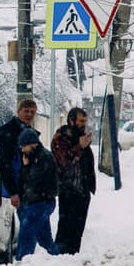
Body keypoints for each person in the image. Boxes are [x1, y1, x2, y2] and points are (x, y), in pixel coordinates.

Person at [50, 106, 96, 255]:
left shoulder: (81, 137)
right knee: (65, 228)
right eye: (81, 121)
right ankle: (61, 257)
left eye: (85, 121)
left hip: (82, 190)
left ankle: (73, 255)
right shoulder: (61, 137)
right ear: (71, 121)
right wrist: (80, 147)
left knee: (77, 229)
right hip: (68, 190)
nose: (83, 124)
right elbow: (64, 162)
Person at [14, 127, 59, 259]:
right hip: (39, 202)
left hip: (41, 203)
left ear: (32, 143)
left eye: (24, 146)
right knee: (44, 238)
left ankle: (22, 262)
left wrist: (26, 166)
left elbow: (32, 180)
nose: (22, 150)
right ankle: (56, 259)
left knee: (26, 235)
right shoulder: (34, 156)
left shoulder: (42, 158)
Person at [0, 98, 38, 207]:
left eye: (32, 112)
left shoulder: (30, 132)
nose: (29, 114)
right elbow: (5, 165)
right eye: (26, 111)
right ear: (18, 111)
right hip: (17, 190)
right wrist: (13, 192)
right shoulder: (8, 134)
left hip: (30, 190)